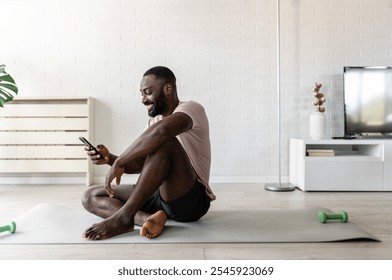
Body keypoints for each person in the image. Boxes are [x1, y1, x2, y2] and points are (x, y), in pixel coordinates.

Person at [81, 66, 215, 240]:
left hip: (190, 200)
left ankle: (123, 217)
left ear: (168, 89)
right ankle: (147, 219)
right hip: (160, 195)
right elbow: (143, 164)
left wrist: (119, 162)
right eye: (141, 94)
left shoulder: (192, 109)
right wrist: (109, 159)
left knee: (165, 141)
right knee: (90, 196)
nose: (143, 99)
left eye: (148, 92)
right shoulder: (154, 123)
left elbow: (163, 133)